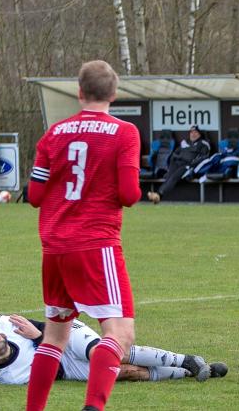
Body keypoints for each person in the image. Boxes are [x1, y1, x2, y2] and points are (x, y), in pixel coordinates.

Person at [26, 60, 142, 411]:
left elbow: (33, 196)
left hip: (54, 247)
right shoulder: (125, 133)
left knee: (55, 336)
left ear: (79, 92)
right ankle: (93, 408)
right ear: (114, 94)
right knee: (120, 335)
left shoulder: (53, 134)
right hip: (96, 244)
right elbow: (129, 195)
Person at [0, 314, 227, 384]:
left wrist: (40, 334)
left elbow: (45, 326)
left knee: (106, 353)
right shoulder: (9, 377)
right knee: (124, 372)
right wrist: (40, 340)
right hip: (62, 364)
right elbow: (51, 369)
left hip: (61, 331)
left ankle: (187, 359)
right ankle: (192, 372)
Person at [147, 125, 211, 203]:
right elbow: (174, 154)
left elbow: (203, 158)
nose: (193, 134)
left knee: (174, 177)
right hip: (177, 163)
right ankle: (157, 195)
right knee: (169, 175)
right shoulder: (185, 142)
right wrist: (172, 165)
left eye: (195, 132)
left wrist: (191, 164)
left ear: (199, 134)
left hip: (188, 166)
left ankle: (159, 194)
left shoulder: (204, 144)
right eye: (191, 132)